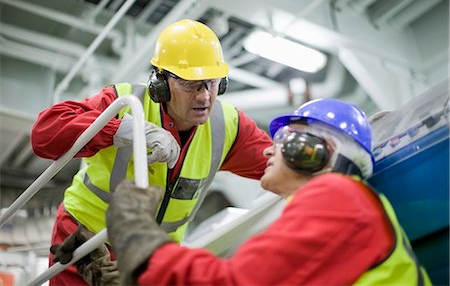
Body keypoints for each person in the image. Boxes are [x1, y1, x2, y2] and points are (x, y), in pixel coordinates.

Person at [30, 19, 272, 285]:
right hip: (86, 240)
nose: (204, 97)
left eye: (212, 83)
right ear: (161, 83)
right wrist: (120, 129)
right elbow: (45, 133)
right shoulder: (124, 102)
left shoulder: (228, 127)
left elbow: (281, 166)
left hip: (150, 254)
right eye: (191, 84)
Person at [106, 98, 432, 286]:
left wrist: (135, 233)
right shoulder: (333, 206)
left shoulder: (339, 196)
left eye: (283, 140)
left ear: (314, 150)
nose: (265, 152)